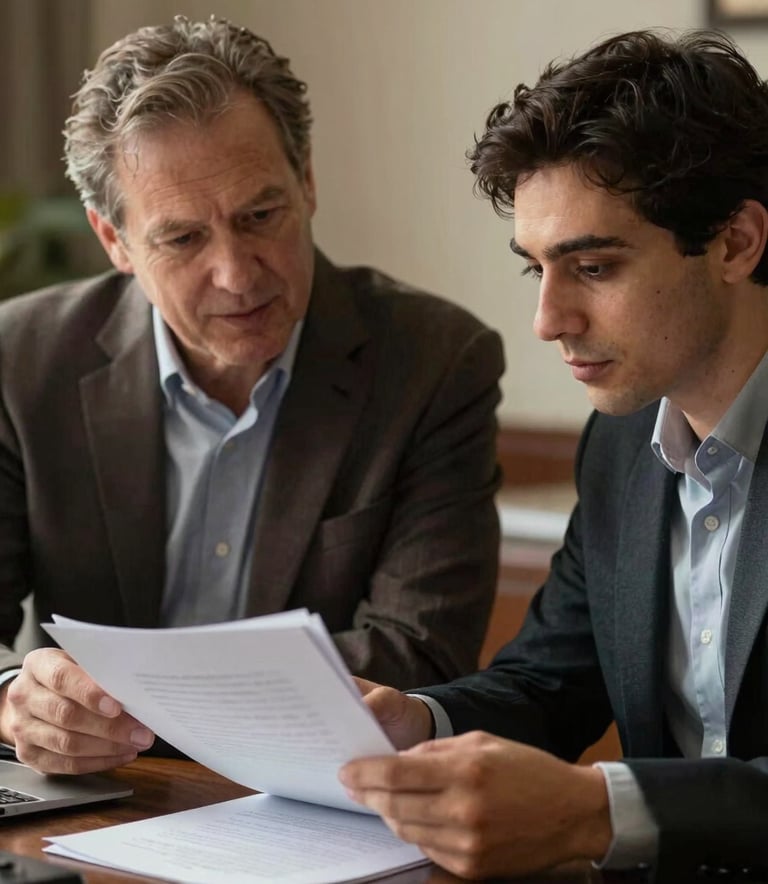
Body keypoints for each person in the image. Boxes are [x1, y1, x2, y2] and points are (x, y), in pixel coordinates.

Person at [0, 17, 503, 776]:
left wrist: (129, 706)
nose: (237, 274)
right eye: (182, 239)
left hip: (312, 805)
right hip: (94, 801)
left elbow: (416, 654)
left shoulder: (433, 363)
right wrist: (17, 697)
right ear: (114, 241)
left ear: (307, 182)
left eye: (259, 216)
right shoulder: (22, 360)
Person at [340, 29, 768, 883]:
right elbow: (548, 683)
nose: (548, 319)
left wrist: (598, 811)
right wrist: (416, 721)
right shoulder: (621, 445)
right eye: (536, 268)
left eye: (595, 266)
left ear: (734, 244)